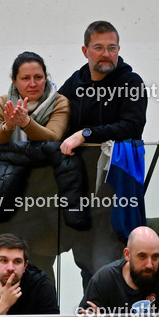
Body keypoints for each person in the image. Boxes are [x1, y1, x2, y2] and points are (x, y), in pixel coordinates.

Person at [58, 21, 148, 288]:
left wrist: (86, 133)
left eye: (112, 48)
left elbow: (132, 127)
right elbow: (56, 123)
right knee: (85, 263)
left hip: (115, 191)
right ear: (85, 51)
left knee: (105, 264)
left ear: (119, 49)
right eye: (98, 48)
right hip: (79, 193)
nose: (106, 54)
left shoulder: (131, 82)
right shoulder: (74, 83)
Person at [0, 51, 70, 143]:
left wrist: (27, 123)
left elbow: (54, 138)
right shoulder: (2, 102)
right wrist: (8, 126)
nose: (33, 84)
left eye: (38, 77)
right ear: (14, 81)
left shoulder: (59, 102)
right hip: (8, 157)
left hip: (48, 157)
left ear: (45, 78)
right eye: (25, 78)